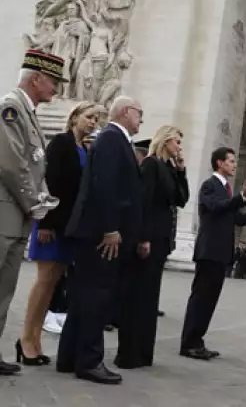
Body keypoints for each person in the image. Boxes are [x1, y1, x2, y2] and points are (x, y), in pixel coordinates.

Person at [56, 96, 144, 385]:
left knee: (82, 297)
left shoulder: (110, 140)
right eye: (139, 114)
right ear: (126, 112)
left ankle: (69, 357)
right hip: (100, 233)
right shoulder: (111, 139)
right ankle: (90, 361)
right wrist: (110, 228)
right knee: (96, 297)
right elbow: (103, 185)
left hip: (93, 230)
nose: (141, 120)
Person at [180, 147, 246, 360]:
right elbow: (217, 208)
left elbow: (238, 219)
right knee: (200, 299)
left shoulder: (226, 189)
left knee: (210, 301)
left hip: (221, 253)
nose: (235, 164)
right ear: (219, 163)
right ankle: (188, 343)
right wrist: (242, 196)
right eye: (231, 161)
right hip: (209, 251)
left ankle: (197, 341)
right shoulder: (209, 185)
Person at [18, 101, 98, 364]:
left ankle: (35, 340)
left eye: (96, 119)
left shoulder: (83, 149)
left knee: (52, 285)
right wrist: (46, 224)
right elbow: (50, 183)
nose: (93, 122)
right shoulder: (62, 144)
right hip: (52, 225)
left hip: (67, 228)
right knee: (43, 282)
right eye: (88, 117)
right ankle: (26, 339)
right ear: (74, 117)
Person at [0, 49, 65, 376]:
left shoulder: (28, 111)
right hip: (5, 215)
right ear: (36, 78)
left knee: (4, 289)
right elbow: (12, 164)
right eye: (54, 81)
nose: (57, 89)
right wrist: (35, 203)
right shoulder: (11, 108)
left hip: (15, 218)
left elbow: (35, 164)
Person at [116, 125, 189, 368]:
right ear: (165, 141)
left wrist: (181, 170)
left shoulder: (168, 168)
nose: (180, 147)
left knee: (149, 299)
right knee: (137, 297)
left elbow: (181, 199)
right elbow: (142, 203)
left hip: (160, 240)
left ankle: (143, 352)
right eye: (177, 142)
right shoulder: (150, 164)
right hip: (148, 239)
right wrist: (142, 237)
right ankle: (128, 353)